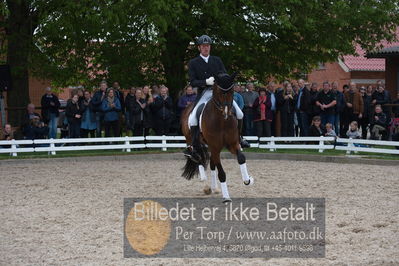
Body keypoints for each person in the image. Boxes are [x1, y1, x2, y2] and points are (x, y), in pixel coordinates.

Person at [184, 34, 249, 162]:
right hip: (204, 93)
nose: (206, 48)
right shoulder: (193, 63)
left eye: (207, 46)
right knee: (192, 119)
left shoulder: (217, 60)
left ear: (210, 47)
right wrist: (205, 82)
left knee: (240, 113)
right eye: (203, 46)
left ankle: (240, 138)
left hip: (219, 93)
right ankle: (195, 145)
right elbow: (192, 82)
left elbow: (224, 74)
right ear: (199, 48)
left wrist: (221, 81)